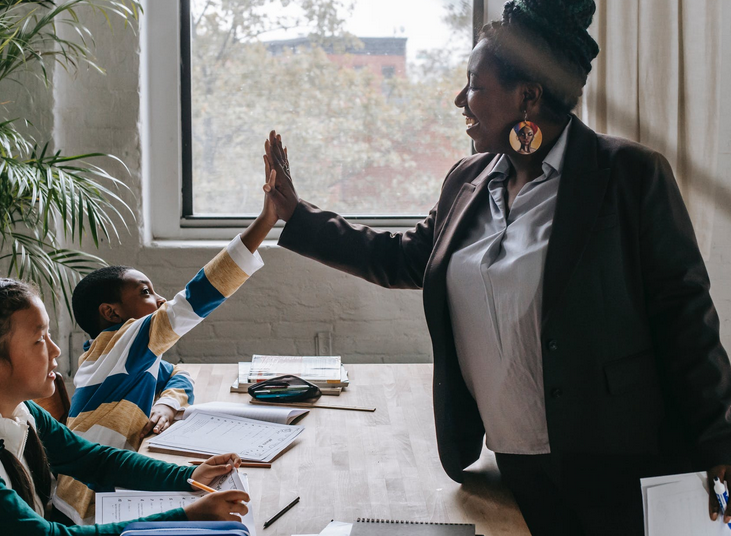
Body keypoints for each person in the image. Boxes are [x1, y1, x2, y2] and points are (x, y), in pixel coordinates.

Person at [261, 0, 731, 534]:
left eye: (474, 86)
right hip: (511, 465)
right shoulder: (468, 181)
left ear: (527, 96)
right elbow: (404, 257)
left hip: (616, 467)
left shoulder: (629, 177)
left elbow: (686, 318)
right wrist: (295, 216)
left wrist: (720, 442)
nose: (460, 100)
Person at [55, 165, 280, 524]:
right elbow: (194, 300)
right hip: (85, 503)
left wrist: (167, 404)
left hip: (111, 484)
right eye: (145, 292)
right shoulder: (119, 343)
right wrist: (266, 221)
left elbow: (177, 373)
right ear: (111, 312)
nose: (159, 300)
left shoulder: (121, 355)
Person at [0, 278, 250, 535]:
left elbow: (96, 461)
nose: (56, 351)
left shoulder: (24, 411)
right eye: (39, 339)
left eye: (49, 335)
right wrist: (186, 516)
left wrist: (189, 475)